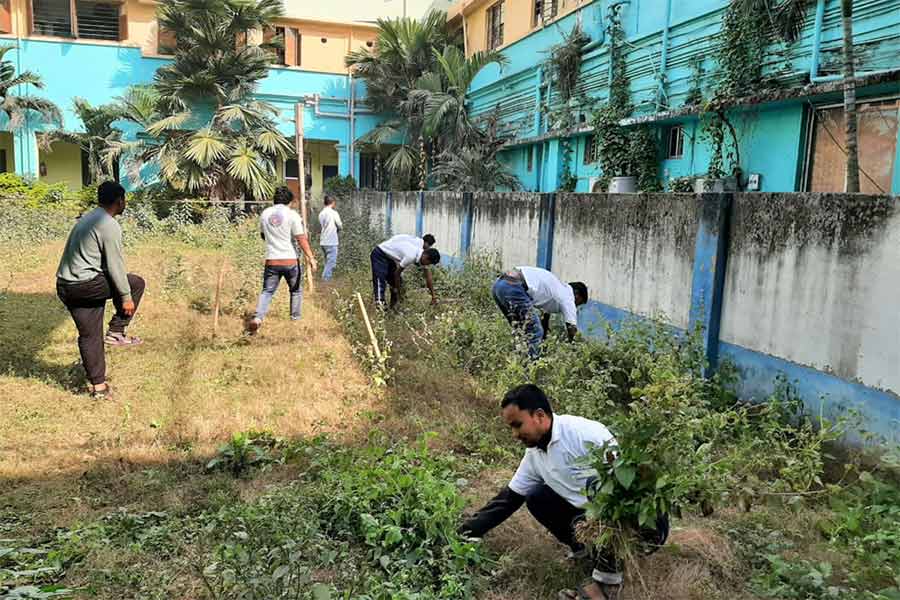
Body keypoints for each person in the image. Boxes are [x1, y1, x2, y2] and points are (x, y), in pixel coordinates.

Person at [459, 385, 669, 600]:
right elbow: (507, 500)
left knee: (604, 511)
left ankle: (606, 585)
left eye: (517, 425)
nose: (514, 434)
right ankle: (586, 553)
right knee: (537, 497)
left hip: (640, 525)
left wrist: (602, 530)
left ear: (539, 416)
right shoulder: (535, 453)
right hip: (591, 518)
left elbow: (626, 493)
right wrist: (465, 532)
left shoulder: (585, 435)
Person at [56, 181, 146, 399]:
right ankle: (116, 332)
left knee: (90, 336)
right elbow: (115, 266)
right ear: (118, 201)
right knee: (135, 283)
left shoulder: (89, 218)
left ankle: (99, 387)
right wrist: (125, 297)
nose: (125, 204)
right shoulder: (109, 224)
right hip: (86, 285)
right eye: (124, 200)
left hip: (65, 285)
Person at [247, 186, 318, 333]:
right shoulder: (292, 215)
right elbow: (300, 238)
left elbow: (263, 235)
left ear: (275, 200)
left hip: (272, 260)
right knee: (296, 290)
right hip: (289, 260)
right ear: (290, 201)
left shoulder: (265, 214)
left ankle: (258, 318)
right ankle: (295, 319)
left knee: (267, 291)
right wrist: (311, 257)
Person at [492, 266, 588, 357]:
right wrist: (576, 351)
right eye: (579, 303)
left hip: (499, 285)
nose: (576, 307)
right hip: (514, 287)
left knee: (521, 329)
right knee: (535, 331)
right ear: (577, 295)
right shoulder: (568, 297)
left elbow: (544, 319)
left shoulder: (556, 289)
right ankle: (530, 368)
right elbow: (572, 329)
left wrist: (543, 341)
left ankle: (518, 361)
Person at [370, 233, 440, 308]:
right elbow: (397, 272)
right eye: (428, 263)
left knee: (397, 282)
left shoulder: (421, 252)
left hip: (390, 256)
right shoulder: (414, 252)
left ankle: (394, 308)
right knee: (380, 279)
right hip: (381, 253)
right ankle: (380, 305)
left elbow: (428, 275)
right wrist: (398, 291)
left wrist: (433, 296)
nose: (427, 265)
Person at [318, 195, 343, 281]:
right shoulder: (333, 213)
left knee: (327, 262)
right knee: (331, 263)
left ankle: (326, 280)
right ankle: (325, 281)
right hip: (331, 242)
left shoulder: (321, 213)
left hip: (323, 241)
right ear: (333, 203)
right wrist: (339, 230)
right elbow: (339, 225)